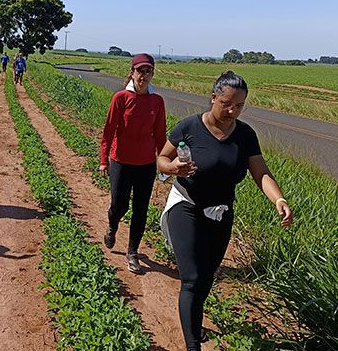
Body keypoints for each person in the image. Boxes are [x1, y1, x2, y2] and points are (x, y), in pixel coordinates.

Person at [156, 71, 293, 351]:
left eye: (239, 105)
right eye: (227, 104)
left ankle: (193, 318)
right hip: (186, 205)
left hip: (220, 212)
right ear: (213, 98)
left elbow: (261, 173)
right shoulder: (189, 127)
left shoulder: (245, 135)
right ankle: (192, 345)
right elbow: (161, 159)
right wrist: (172, 168)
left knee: (207, 277)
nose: (233, 111)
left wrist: (278, 199)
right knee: (192, 278)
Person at [99, 53, 166, 273]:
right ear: (132, 72)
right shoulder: (121, 98)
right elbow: (109, 131)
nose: (144, 75)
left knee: (141, 209)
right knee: (119, 206)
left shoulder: (157, 101)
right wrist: (103, 160)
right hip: (121, 161)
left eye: (148, 71)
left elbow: (160, 135)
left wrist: (165, 161)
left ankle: (132, 252)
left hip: (146, 164)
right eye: (140, 71)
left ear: (152, 74)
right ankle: (112, 225)